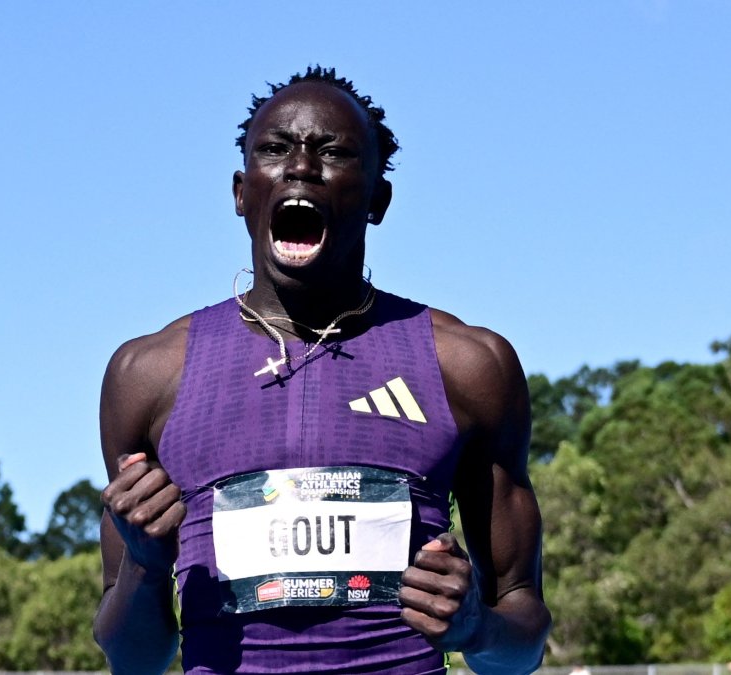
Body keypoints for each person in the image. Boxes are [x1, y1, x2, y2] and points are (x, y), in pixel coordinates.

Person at [93, 66, 551, 674]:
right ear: (241, 192)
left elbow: (522, 649)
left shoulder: (469, 366)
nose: (302, 167)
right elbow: (134, 661)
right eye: (275, 149)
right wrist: (147, 568)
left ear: (378, 199)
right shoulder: (146, 374)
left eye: (333, 151)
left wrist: (476, 626)